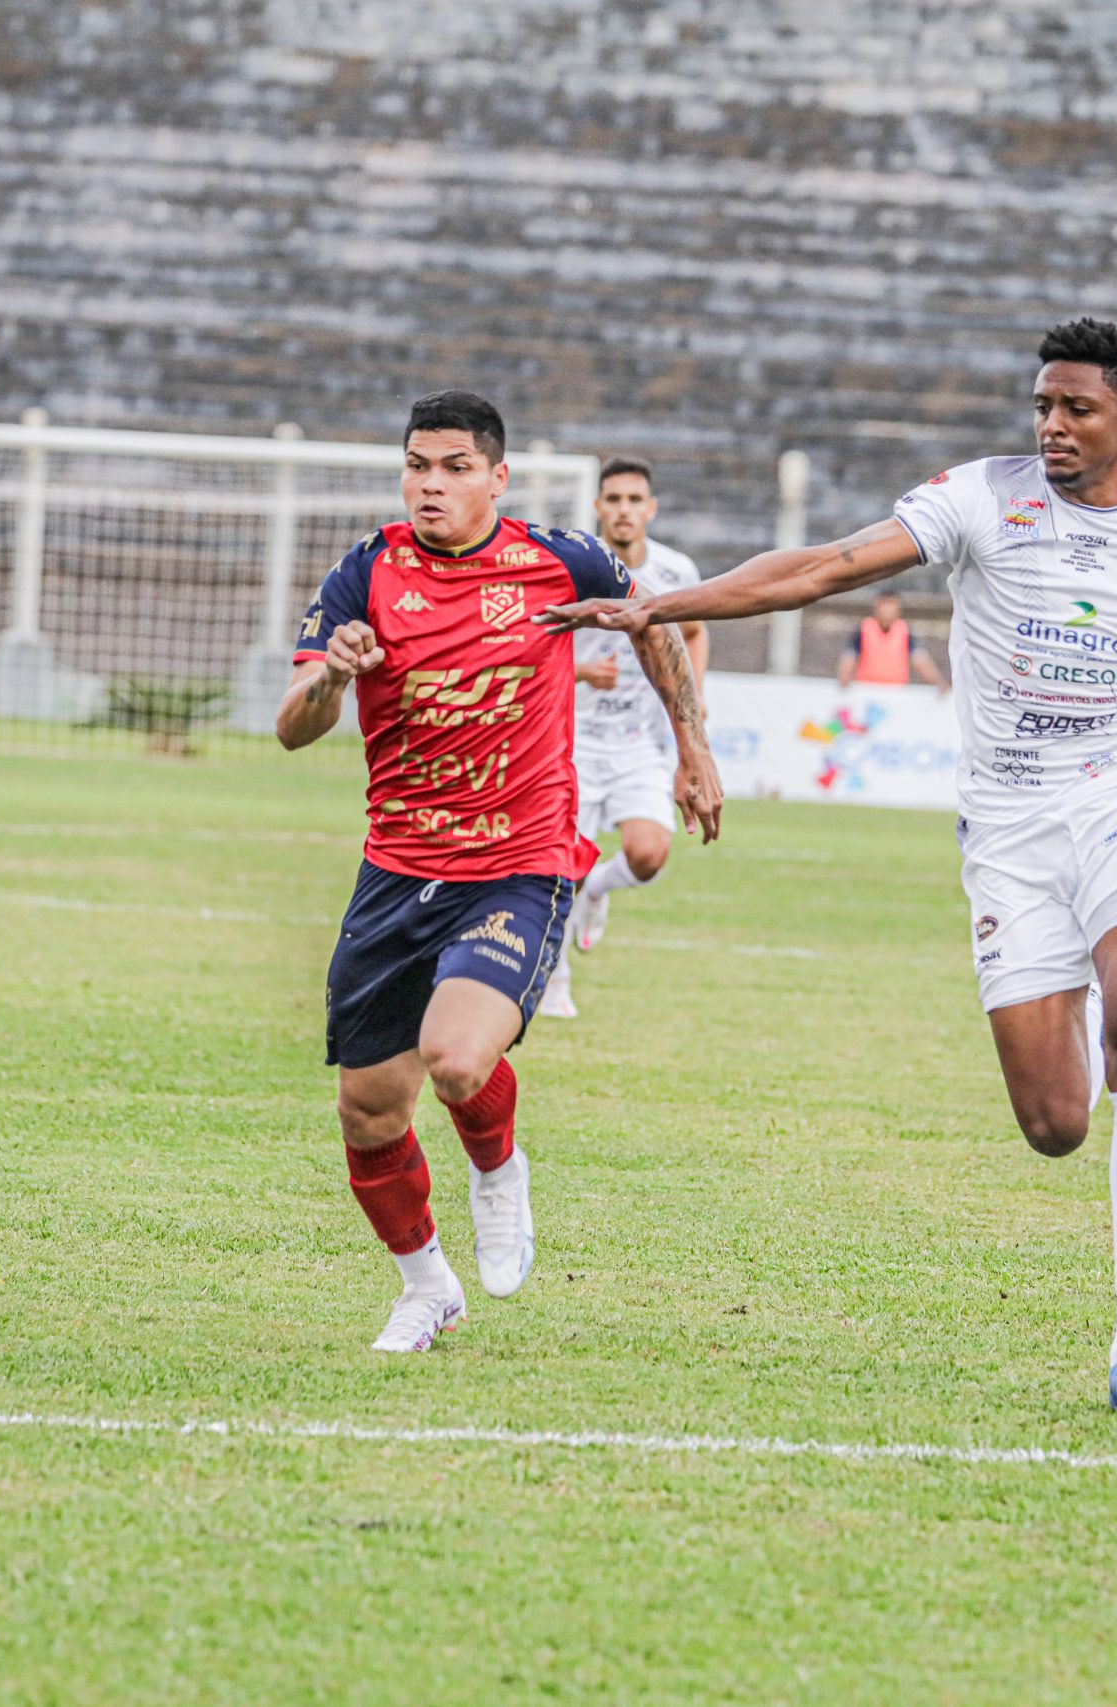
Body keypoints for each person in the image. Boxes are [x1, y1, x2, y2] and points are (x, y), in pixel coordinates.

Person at [547, 318, 1117, 1415]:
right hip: (1008, 832)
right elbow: (821, 567)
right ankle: (1096, 994)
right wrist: (658, 603)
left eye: (1076, 410)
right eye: (1042, 407)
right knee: (1055, 1124)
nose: (1051, 426)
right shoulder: (978, 498)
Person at [277, 391, 722, 1353]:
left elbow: (652, 625)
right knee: (367, 1109)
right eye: (417, 466)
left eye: (453, 467)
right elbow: (292, 726)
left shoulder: (556, 559)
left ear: (496, 476)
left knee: (458, 1056)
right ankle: (426, 1284)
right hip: (396, 871)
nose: (431, 484)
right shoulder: (366, 572)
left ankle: (497, 1165)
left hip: (518, 864)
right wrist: (333, 676)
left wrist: (691, 746)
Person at [541, 456, 710, 1019]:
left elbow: (693, 630)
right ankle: (556, 981)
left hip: (638, 740)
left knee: (648, 853)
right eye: (613, 500)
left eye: (634, 500)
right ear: (598, 508)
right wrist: (582, 673)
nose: (623, 510)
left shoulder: (675, 570)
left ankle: (599, 889)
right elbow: (536, 647)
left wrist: (693, 702)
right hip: (575, 740)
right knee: (560, 868)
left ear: (650, 509)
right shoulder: (575, 566)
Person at [837, 589, 946, 692]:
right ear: (877, 606)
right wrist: (844, 676)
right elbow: (850, 656)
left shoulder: (904, 630)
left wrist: (936, 681)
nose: (887, 609)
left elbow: (919, 659)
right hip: (868, 690)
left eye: (892, 604)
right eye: (884, 604)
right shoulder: (864, 629)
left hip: (896, 693)